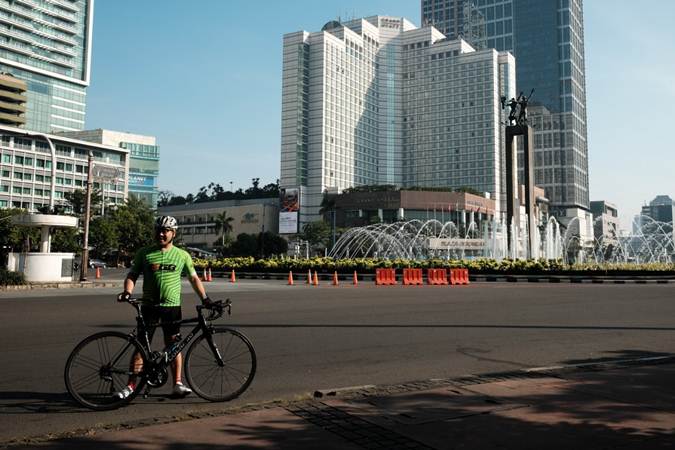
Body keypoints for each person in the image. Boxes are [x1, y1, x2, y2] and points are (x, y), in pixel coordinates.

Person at [115, 215, 211, 399]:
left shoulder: (182, 255)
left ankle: (177, 384)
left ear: (173, 233)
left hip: (172, 307)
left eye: (166, 230)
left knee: (174, 345)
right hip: (149, 306)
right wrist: (127, 292)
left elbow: (193, 278)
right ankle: (130, 386)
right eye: (158, 230)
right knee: (141, 347)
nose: (161, 233)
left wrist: (205, 298)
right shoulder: (145, 253)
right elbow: (132, 275)